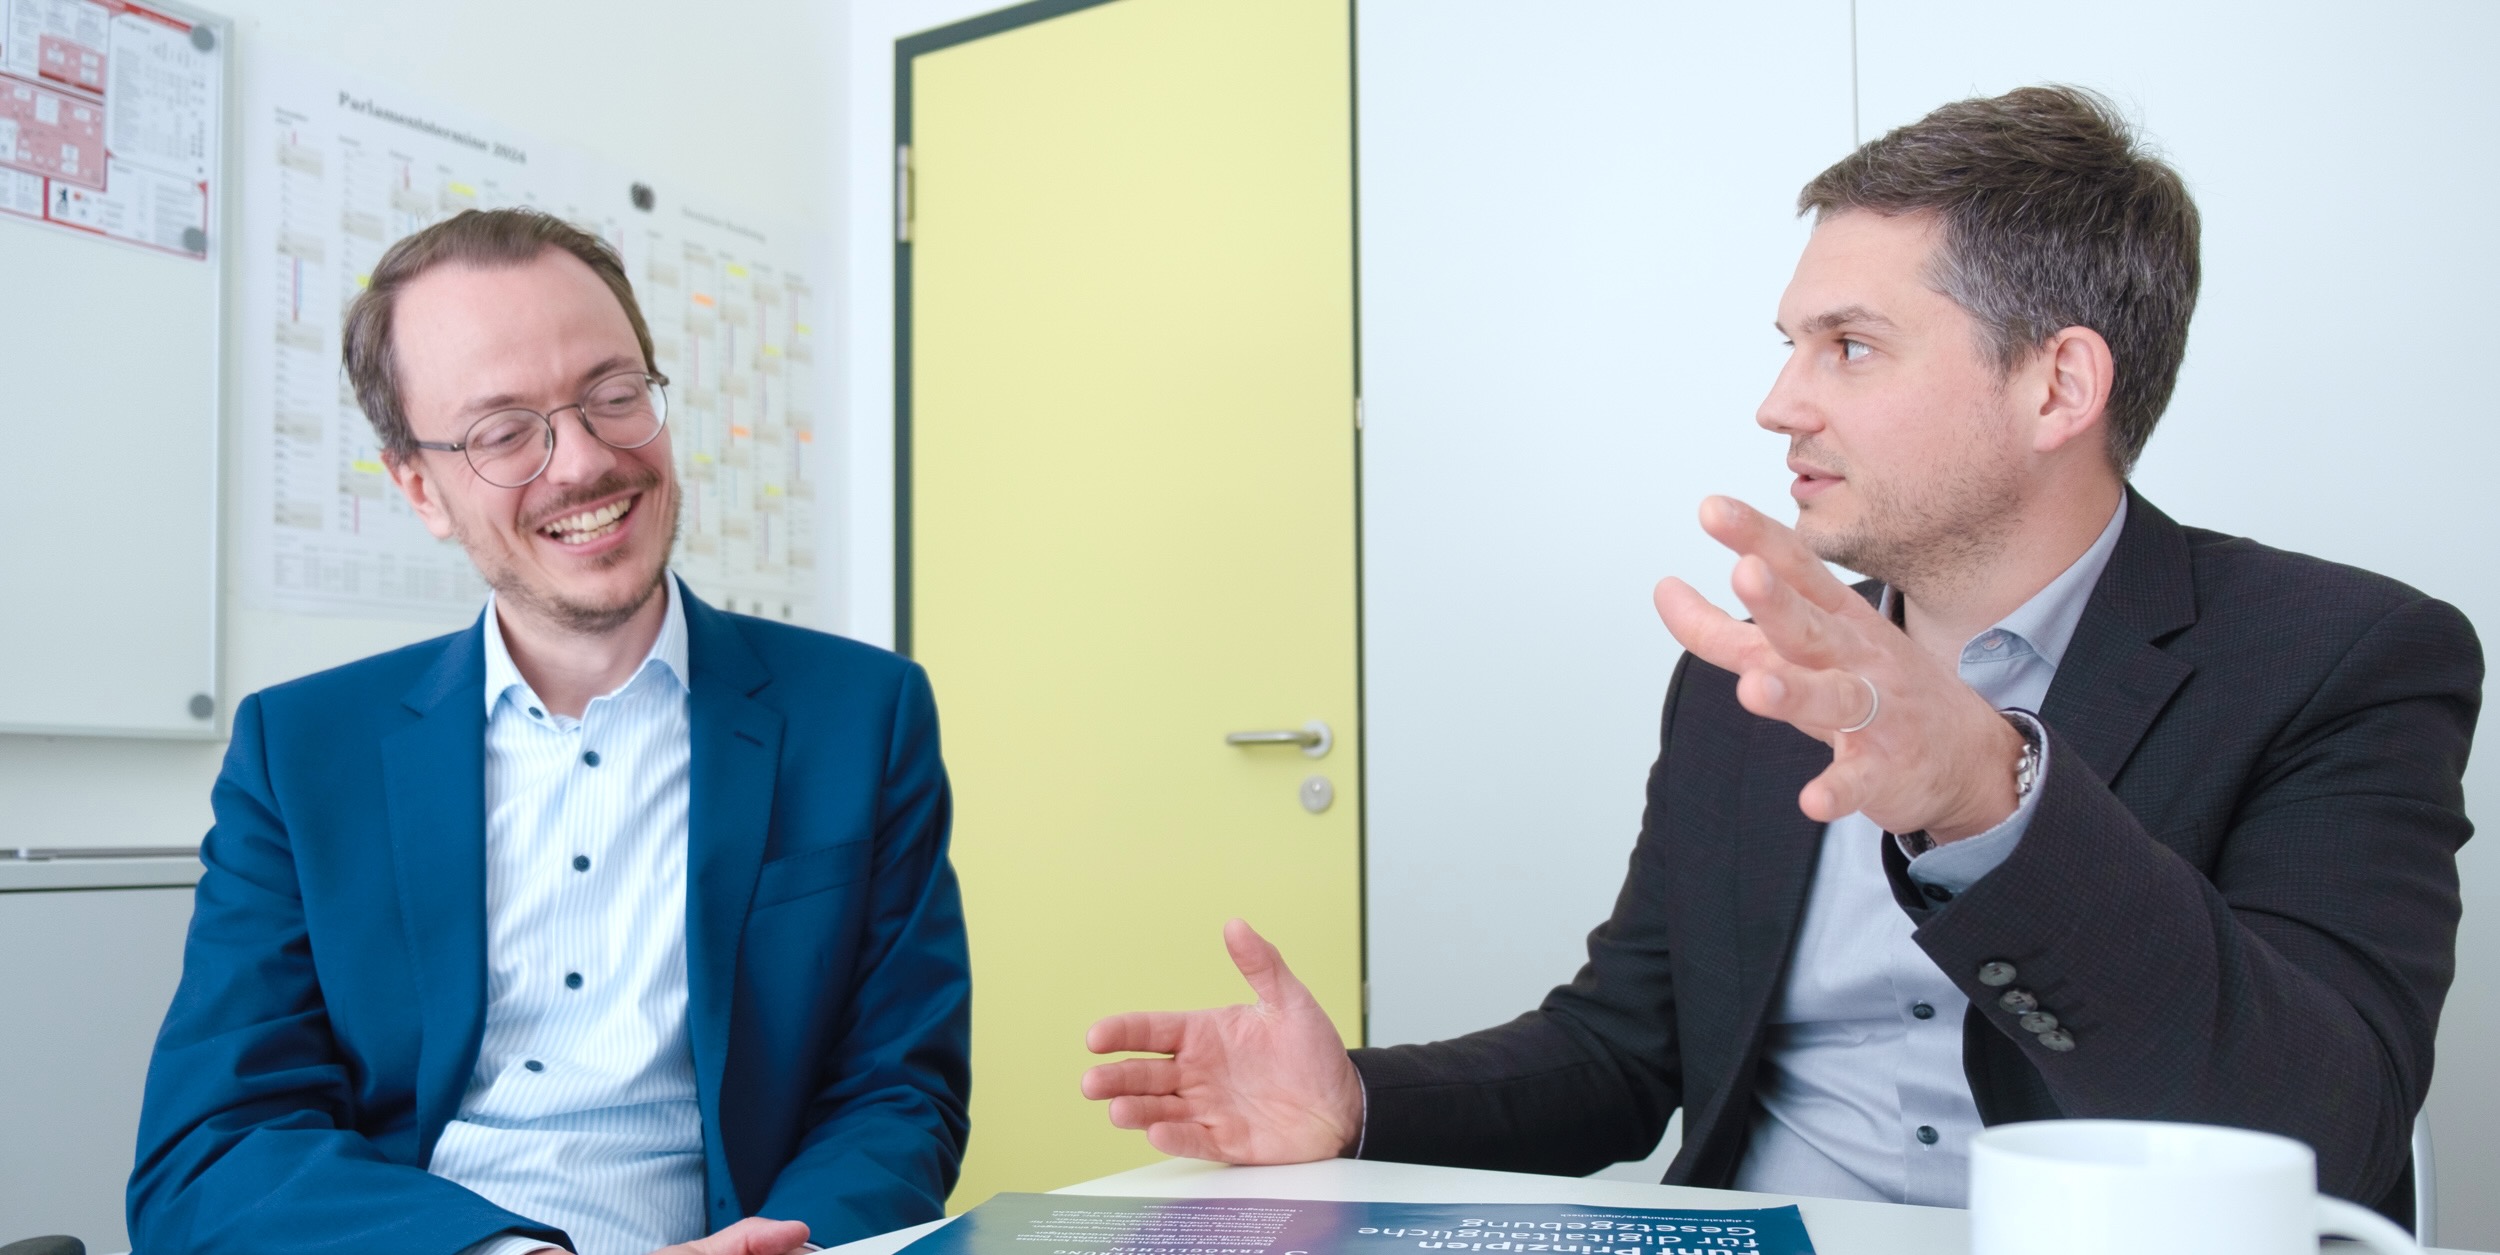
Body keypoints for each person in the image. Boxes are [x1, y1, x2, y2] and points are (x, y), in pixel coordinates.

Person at [1080, 86, 2480, 1225]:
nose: (1778, 401)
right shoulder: (1749, 674)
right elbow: (1621, 1050)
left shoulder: (2344, 658)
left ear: (2058, 383)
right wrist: (1357, 1102)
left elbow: (2325, 1130)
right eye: (1789, 343)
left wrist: (1996, 794)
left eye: (1851, 347)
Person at [128, 210, 972, 1255]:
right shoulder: (300, 752)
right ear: (419, 487)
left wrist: (780, 1245)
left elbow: (896, 1092)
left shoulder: (860, 715)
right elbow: (215, 1142)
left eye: (614, 397)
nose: (581, 462)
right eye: (503, 432)